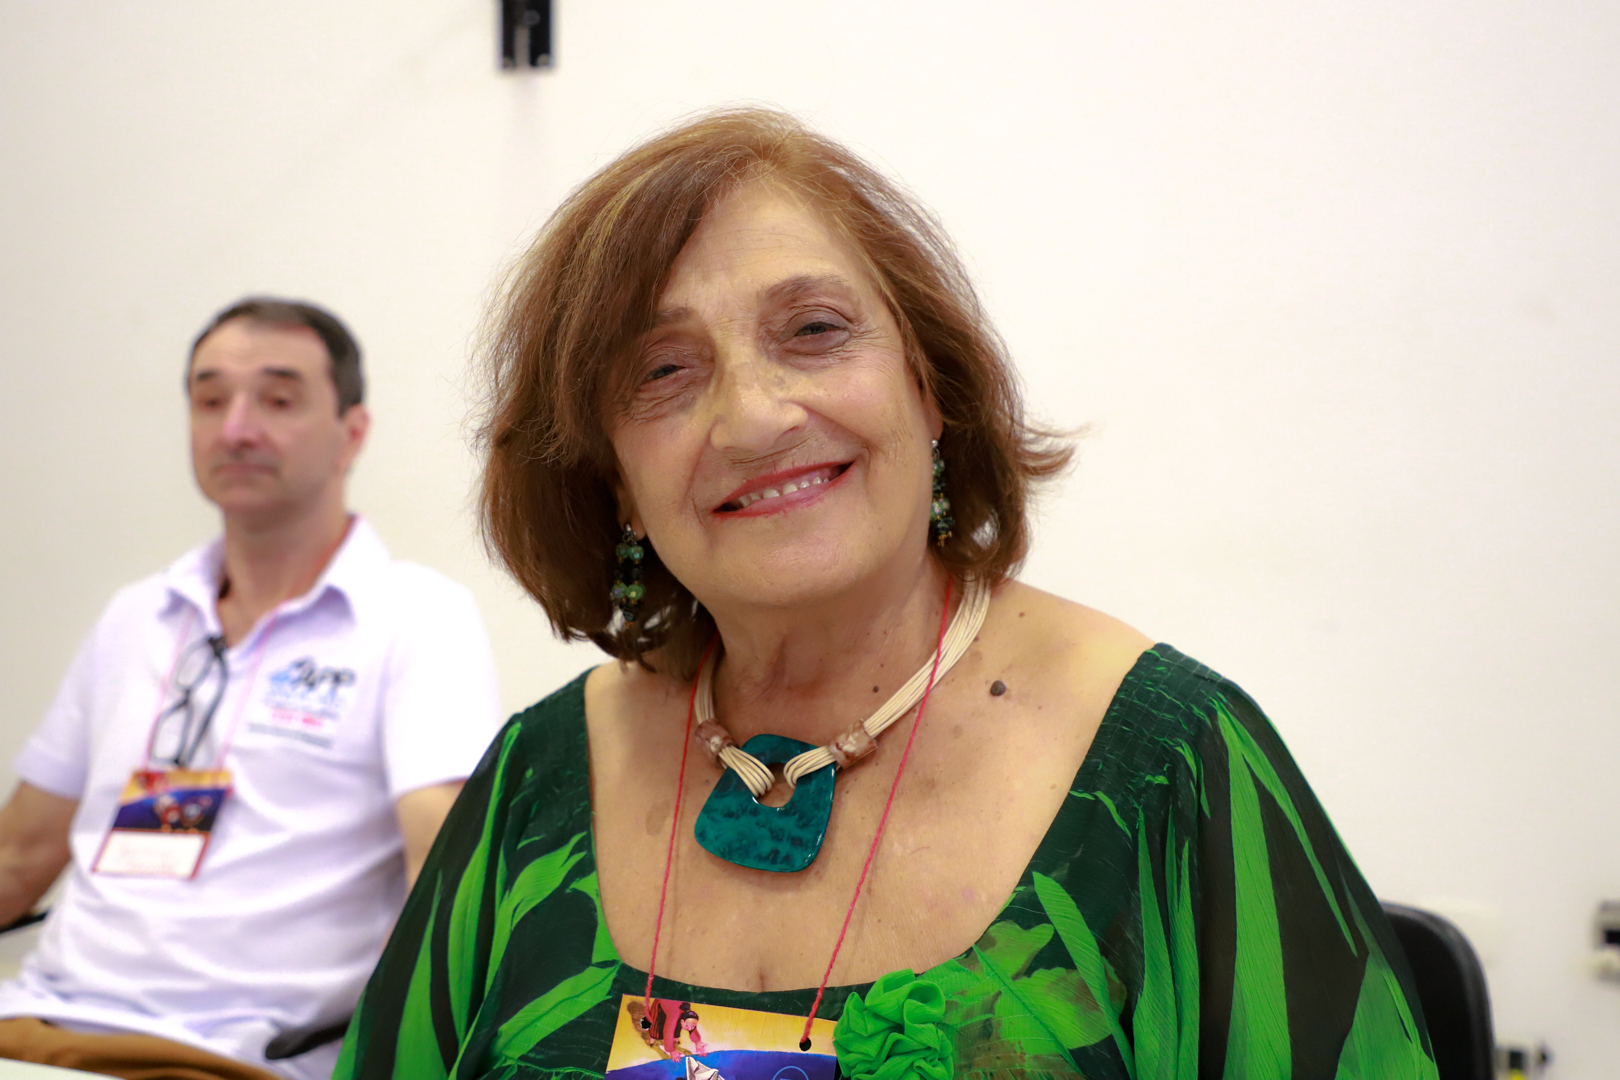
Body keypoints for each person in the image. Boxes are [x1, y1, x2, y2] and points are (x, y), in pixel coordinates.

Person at [338, 111, 1439, 1079]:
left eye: (813, 330)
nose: (754, 417)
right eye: (663, 370)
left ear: (932, 386)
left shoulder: (1166, 765)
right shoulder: (535, 783)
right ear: (615, 481)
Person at [0, 299, 503, 1080]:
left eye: (278, 399)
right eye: (210, 400)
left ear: (353, 433)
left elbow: (442, 882)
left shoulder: (415, 617)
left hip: (229, 1057)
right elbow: (20, 853)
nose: (236, 429)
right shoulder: (138, 615)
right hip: (33, 1026)